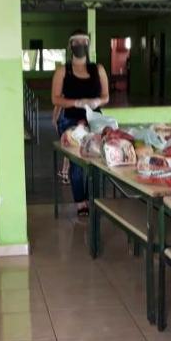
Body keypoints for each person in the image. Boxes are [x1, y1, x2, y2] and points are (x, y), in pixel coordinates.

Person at [51, 30, 110, 216]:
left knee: (97, 159)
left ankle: (94, 198)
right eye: (76, 42)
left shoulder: (98, 69)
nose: (80, 45)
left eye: (84, 41)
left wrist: (96, 102)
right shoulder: (63, 71)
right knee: (77, 162)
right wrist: (75, 102)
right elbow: (55, 98)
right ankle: (80, 202)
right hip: (70, 119)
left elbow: (106, 96)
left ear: (88, 44)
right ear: (70, 46)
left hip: (94, 119)